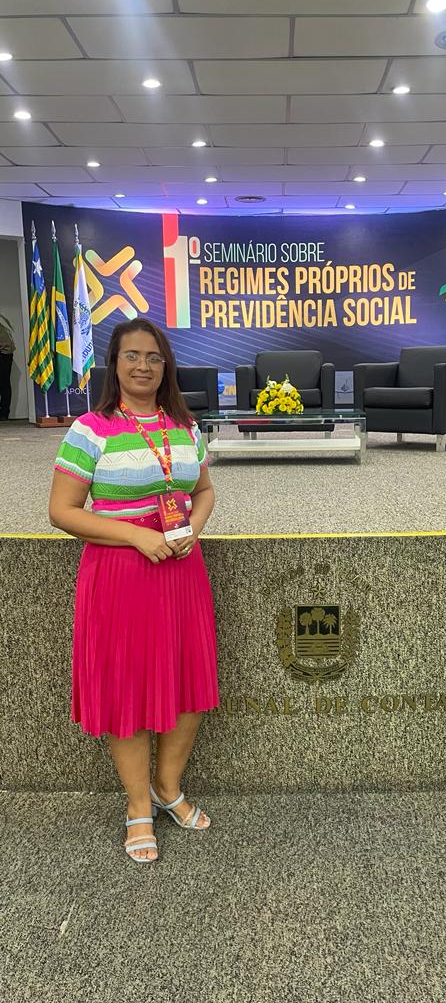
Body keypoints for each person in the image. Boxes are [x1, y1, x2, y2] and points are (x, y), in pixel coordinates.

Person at [49, 318, 219, 864]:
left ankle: (168, 787)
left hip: (182, 571)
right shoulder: (90, 429)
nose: (143, 365)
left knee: (189, 682)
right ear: (114, 365)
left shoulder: (185, 426)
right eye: (132, 356)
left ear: (165, 366)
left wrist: (193, 528)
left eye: (153, 356)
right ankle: (138, 805)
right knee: (128, 690)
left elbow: (204, 490)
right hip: (120, 575)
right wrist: (135, 536)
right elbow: (62, 511)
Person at [0, 312, 16, 420]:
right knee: (4, 384)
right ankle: (4, 413)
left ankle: (4, 413)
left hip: (3, 355)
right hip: (5, 355)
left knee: (4, 384)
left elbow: (7, 344)